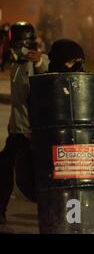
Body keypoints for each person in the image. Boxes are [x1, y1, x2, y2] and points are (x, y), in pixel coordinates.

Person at [0, 22, 49, 224]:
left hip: (31, 132)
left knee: (27, 180)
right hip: (16, 130)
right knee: (3, 169)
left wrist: (38, 62)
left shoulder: (39, 61)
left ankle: (49, 209)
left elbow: (47, 77)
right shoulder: (16, 64)